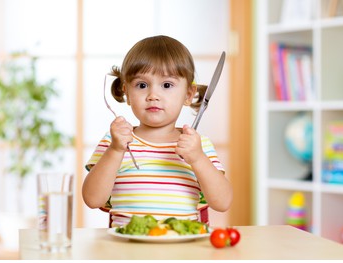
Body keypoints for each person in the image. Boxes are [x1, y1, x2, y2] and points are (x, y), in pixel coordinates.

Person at [82, 35, 232, 227]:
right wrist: (115, 150)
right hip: (127, 249)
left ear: (188, 95)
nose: (153, 95)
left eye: (167, 85)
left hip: (181, 250)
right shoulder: (116, 141)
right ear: (127, 92)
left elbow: (223, 202)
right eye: (142, 85)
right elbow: (92, 200)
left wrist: (197, 158)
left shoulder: (197, 145)